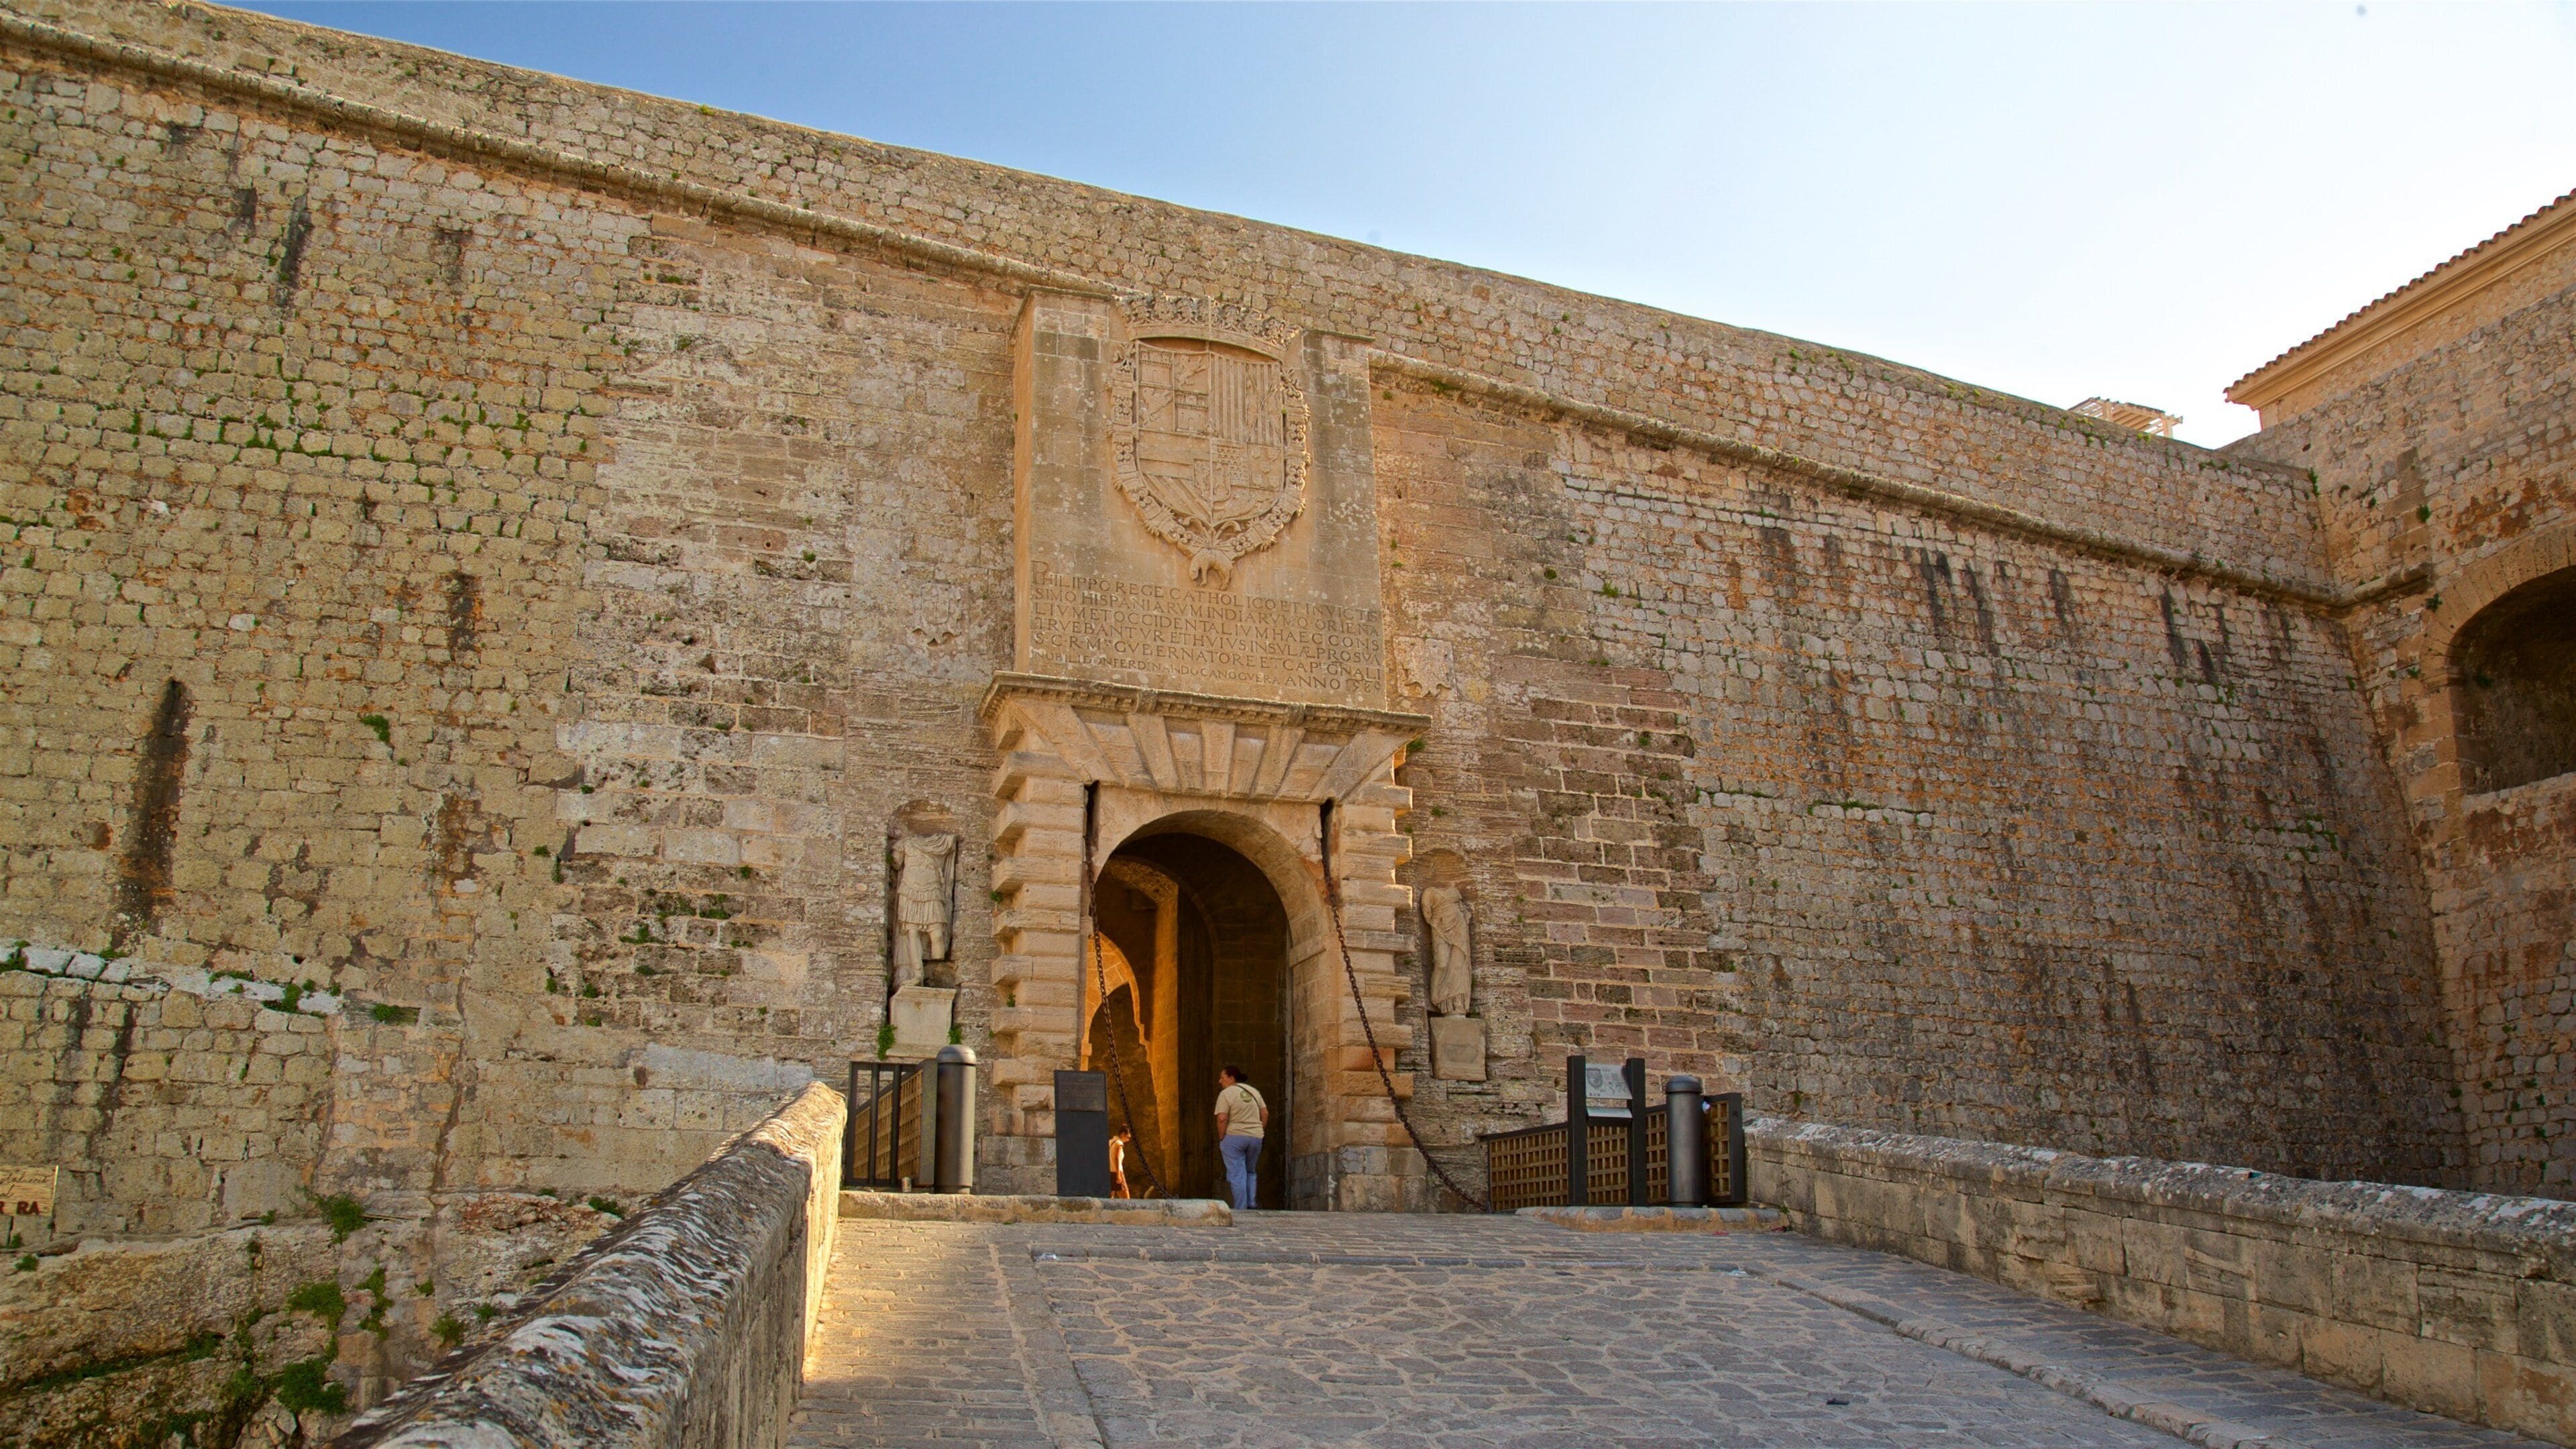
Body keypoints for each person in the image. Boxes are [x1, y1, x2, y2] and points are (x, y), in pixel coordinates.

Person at [1212, 1065, 1268, 1211]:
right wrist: (1258, 1131)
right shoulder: (1254, 1091)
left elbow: (1223, 1118)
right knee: (1250, 1171)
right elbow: (1265, 1114)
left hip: (1235, 1137)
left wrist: (1222, 1137)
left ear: (1231, 1079)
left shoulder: (1226, 1094)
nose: (1220, 1081)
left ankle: (1241, 1208)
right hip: (1255, 1138)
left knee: (1237, 1174)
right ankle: (1251, 1203)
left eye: (1222, 1078)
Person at [1108, 1126, 1133, 1199]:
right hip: (1116, 1172)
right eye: (1128, 1137)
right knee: (1126, 1199)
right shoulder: (1119, 1143)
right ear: (1122, 1134)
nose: (1128, 1140)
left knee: (1109, 1199)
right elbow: (1117, 1158)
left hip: (1109, 1172)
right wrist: (1118, 1175)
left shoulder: (1109, 1142)